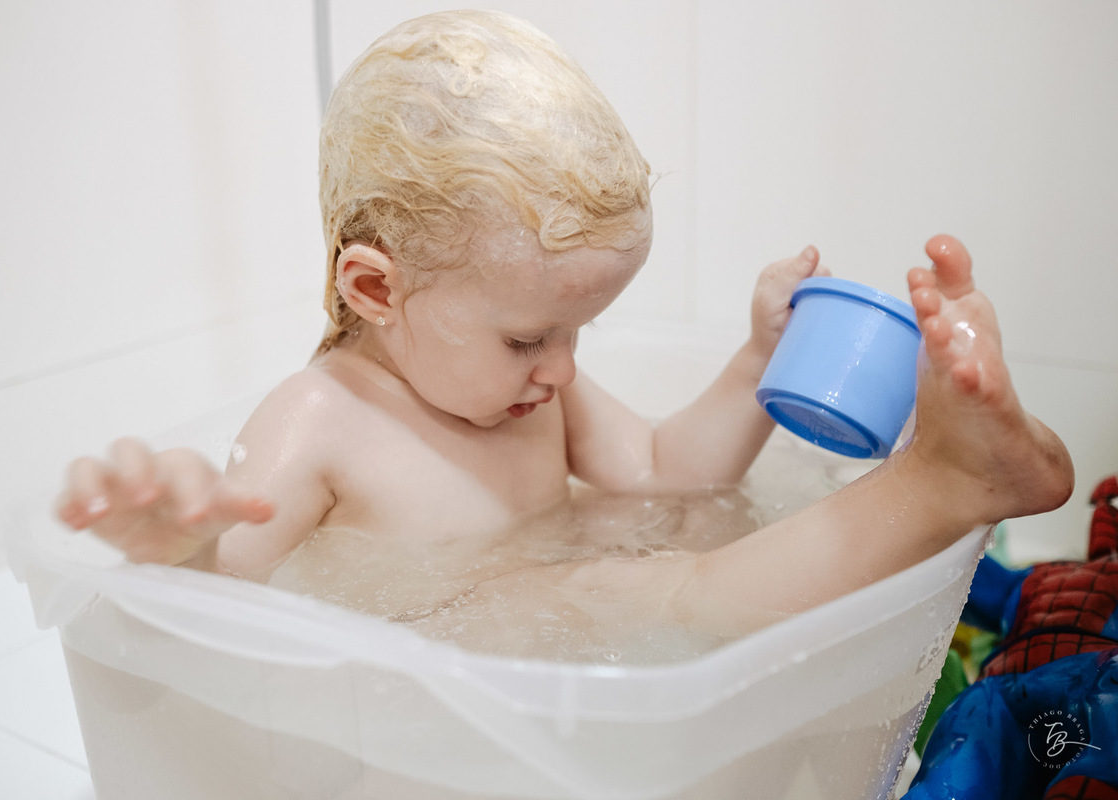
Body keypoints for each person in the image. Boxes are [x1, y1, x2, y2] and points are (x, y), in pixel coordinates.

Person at [55, 10, 1073, 644]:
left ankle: (937, 487)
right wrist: (175, 549)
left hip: (563, 663)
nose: (560, 367)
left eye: (579, 331)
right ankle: (941, 484)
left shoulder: (535, 385)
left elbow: (674, 468)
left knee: (650, 567)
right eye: (527, 337)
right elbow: (223, 615)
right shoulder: (319, 422)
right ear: (373, 289)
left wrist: (755, 358)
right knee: (616, 591)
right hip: (433, 685)